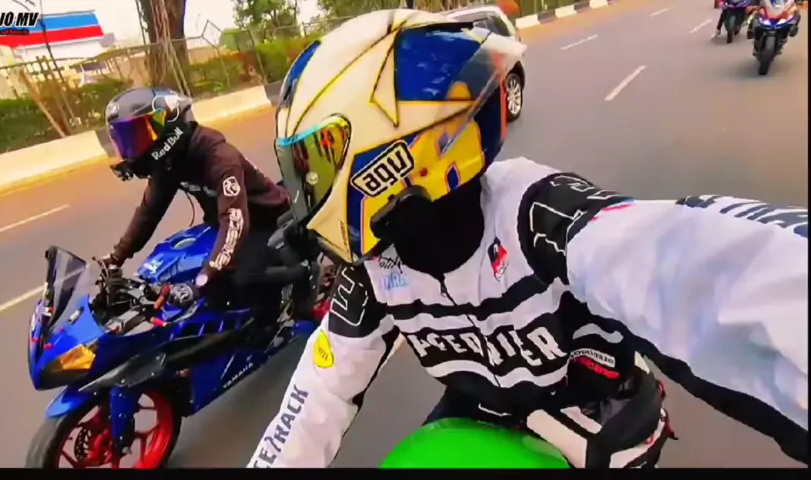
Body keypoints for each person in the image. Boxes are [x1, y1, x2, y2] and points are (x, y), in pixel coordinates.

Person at [248, 9, 808, 468]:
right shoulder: (374, 270)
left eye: (316, 161)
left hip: (598, 417)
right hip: (482, 415)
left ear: (390, 155)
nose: (304, 189)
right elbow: (315, 399)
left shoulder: (543, 218)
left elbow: (711, 268)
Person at [99, 87, 291, 346]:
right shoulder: (169, 162)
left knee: (241, 277)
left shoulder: (219, 157)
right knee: (178, 267)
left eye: (140, 135)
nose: (133, 148)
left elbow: (235, 222)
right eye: (127, 140)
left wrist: (203, 281)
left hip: (265, 220)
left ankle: (273, 319)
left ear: (170, 123)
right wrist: (115, 258)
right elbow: (148, 213)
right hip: (221, 222)